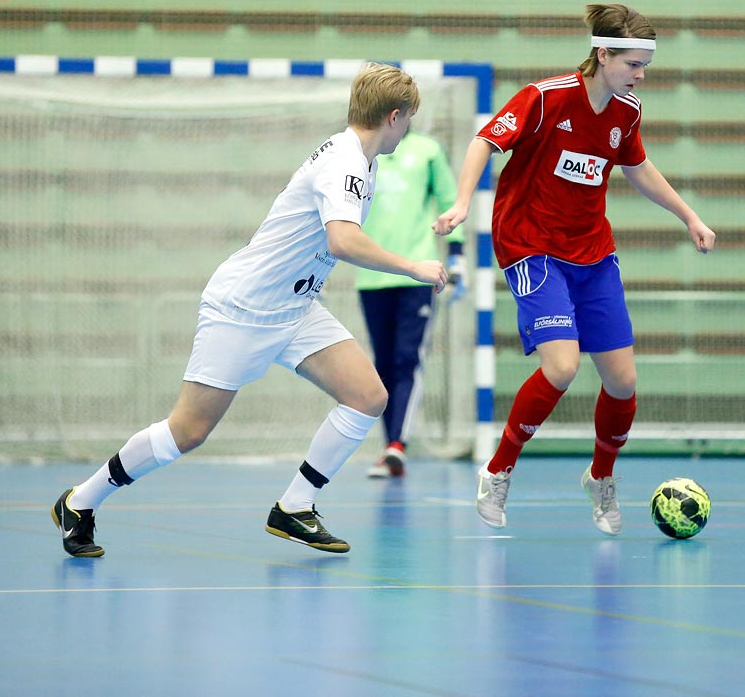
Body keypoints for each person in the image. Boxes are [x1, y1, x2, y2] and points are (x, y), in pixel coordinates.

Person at [52, 63, 448, 558]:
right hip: (244, 308)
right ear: (394, 116)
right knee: (187, 432)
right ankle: (81, 501)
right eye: (408, 118)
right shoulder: (346, 161)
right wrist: (412, 266)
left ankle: (295, 507)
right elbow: (342, 240)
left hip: (296, 307)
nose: (408, 128)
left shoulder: (365, 160)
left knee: (368, 396)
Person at [434, 3, 716, 537]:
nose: (640, 75)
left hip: (592, 254)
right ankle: (498, 470)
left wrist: (689, 217)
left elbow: (638, 168)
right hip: (531, 247)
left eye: (644, 66)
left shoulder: (626, 113)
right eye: (633, 64)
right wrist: (463, 202)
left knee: (623, 381)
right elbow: (484, 141)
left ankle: (601, 478)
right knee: (561, 368)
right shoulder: (544, 99)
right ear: (602, 53)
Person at [356, 129, 466, 478]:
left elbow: (451, 201)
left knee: (407, 358)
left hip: (417, 274)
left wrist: (457, 256)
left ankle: (396, 446)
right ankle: (391, 445)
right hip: (371, 275)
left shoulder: (428, 151)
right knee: (383, 363)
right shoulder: (360, 153)